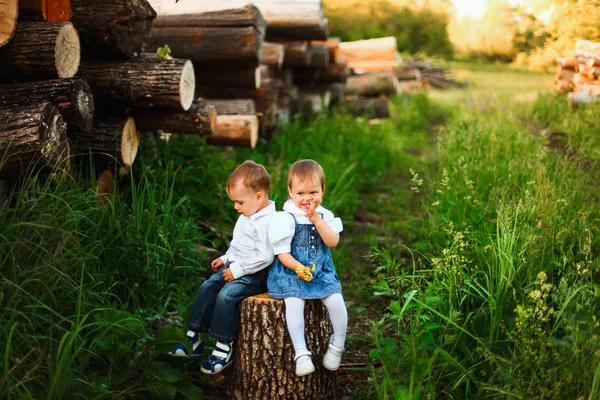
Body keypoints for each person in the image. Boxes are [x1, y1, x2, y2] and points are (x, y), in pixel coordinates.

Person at [169, 160, 276, 375]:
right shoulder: (245, 216)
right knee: (208, 286)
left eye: (239, 202)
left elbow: (266, 256)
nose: (235, 206)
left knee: (226, 296)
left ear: (258, 196)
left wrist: (237, 270)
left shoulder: (270, 221)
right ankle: (194, 339)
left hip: (254, 275)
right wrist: (225, 259)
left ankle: (223, 347)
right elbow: (237, 246)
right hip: (234, 268)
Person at [268, 159, 348, 376]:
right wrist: (298, 268)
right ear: (290, 192)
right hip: (291, 271)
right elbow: (282, 252)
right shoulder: (285, 217)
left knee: (336, 301)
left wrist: (317, 221)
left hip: (321, 271)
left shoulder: (325, 215)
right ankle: (301, 353)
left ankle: (337, 344)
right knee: (293, 303)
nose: (307, 198)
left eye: (313, 192)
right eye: (300, 193)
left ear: (323, 190)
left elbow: (333, 242)